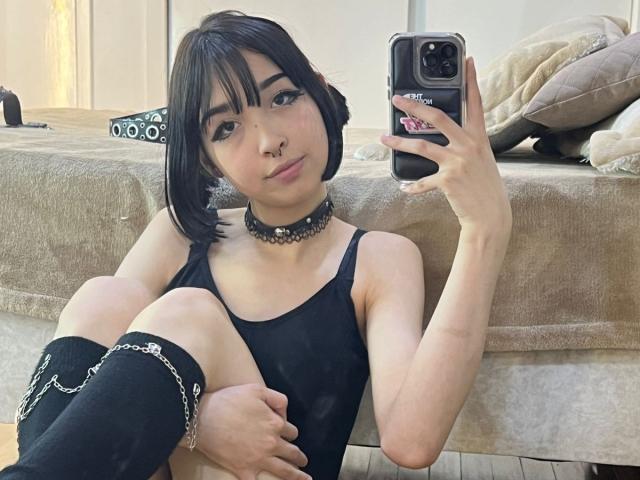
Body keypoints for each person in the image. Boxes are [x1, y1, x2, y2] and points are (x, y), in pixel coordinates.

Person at [0, 9, 512, 480]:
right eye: (227, 127)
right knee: (102, 298)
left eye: (283, 97)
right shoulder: (176, 235)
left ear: (319, 93)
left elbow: (412, 440)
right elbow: (90, 405)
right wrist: (198, 421)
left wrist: (485, 227)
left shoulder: (378, 259)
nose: (270, 141)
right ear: (207, 157)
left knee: (188, 314)